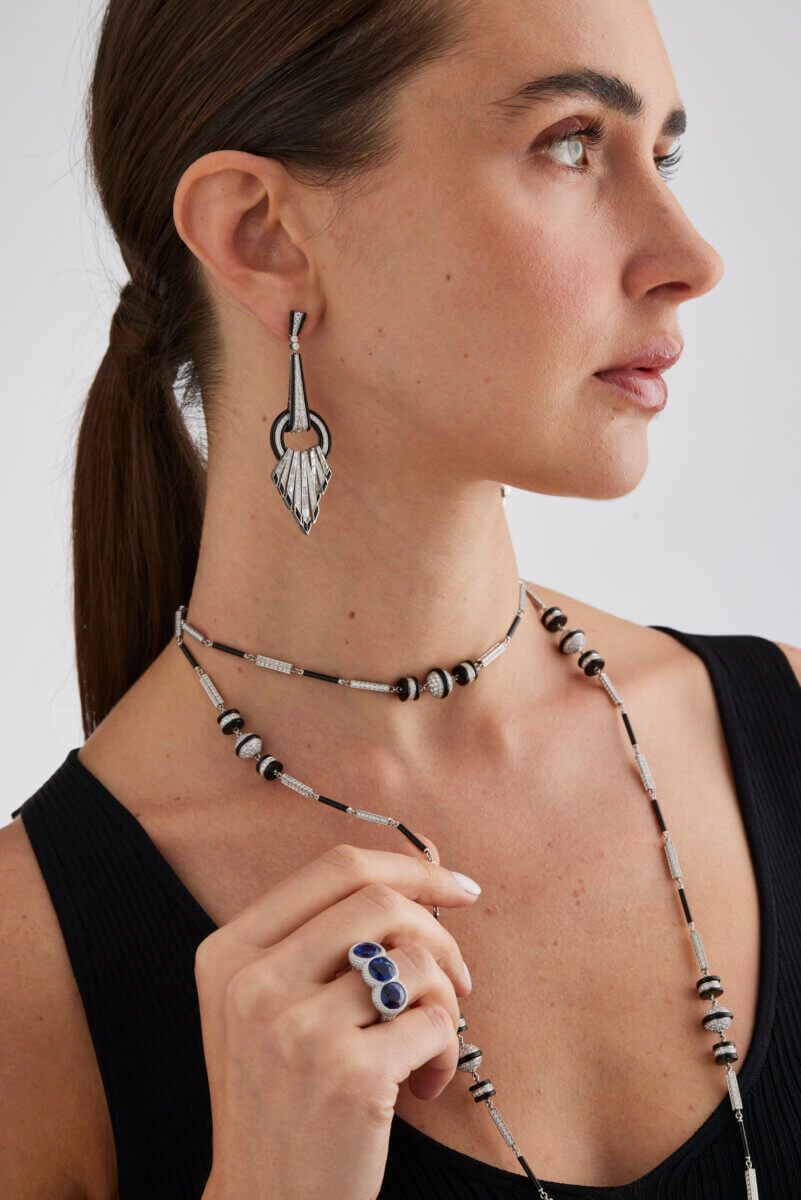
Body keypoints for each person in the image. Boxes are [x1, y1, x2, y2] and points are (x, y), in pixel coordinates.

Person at [2, 0, 799, 1197]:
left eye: (664, 155)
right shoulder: (28, 977)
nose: (692, 254)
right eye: (571, 143)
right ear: (263, 232)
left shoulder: (788, 734)